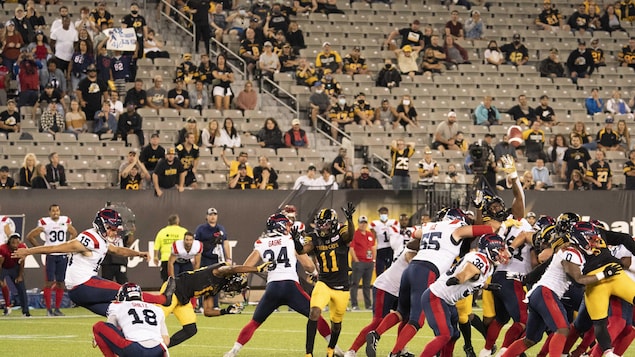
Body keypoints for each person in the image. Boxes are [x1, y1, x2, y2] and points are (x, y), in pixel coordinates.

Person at [366, 208, 512, 357]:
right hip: (428, 271)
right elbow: (488, 229)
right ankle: (395, 353)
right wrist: (491, 215)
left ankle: (376, 334)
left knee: (402, 313)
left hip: (412, 267)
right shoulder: (457, 230)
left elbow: (413, 237)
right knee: (417, 321)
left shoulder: (431, 226)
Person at [12, 208, 173, 316]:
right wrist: (28, 251)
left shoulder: (100, 239)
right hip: (83, 284)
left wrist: (139, 253)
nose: (113, 231)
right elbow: (57, 247)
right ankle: (163, 300)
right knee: (127, 290)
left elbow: (117, 250)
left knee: (118, 314)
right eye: (110, 228)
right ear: (102, 225)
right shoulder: (90, 238)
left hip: (79, 290)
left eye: (115, 229)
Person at [224, 213, 341, 357]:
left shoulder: (261, 243)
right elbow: (308, 265)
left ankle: (233, 351)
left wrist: (240, 279)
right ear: (279, 226)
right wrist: (314, 273)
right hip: (291, 287)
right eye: (285, 224)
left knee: (254, 322)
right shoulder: (290, 240)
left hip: (272, 288)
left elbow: (247, 266)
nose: (287, 227)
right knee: (315, 315)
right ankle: (335, 349)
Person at [420, 234, 509, 357]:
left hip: (448, 302)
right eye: (500, 250)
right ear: (490, 249)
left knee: (454, 335)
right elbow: (465, 274)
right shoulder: (481, 261)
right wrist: (457, 279)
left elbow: (473, 279)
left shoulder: (487, 264)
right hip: (436, 297)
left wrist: (487, 286)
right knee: (444, 335)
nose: (503, 253)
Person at [293, 203, 356, 357]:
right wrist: (296, 240)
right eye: (320, 224)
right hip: (324, 283)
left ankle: (330, 350)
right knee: (314, 312)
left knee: (336, 325)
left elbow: (350, 236)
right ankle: (309, 353)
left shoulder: (341, 231)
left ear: (333, 224)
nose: (322, 227)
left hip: (342, 286)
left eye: (326, 224)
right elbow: (302, 249)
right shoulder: (314, 237)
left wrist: (350, 220)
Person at [25, 204, 77, 316]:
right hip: (51, 255)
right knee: (49, 282)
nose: (55, 213)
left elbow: (74, 233)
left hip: (62, 255)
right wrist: (41, 249)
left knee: (61, 283)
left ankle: (57, 309)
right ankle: (48, 309)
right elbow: (30, 236)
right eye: (53, 211)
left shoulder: (65, 220)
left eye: (57, 210)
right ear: (49, 212)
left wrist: (68, 245)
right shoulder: (45, 222)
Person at [92, 283, 170, 357]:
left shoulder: (117, 306)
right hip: (158, 349)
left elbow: (111, 329)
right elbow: (166, 341)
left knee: (98, 326)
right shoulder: (157, 309)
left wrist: (97, 338)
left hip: (133, 348)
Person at [195, 207, 232, 309]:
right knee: (203, 282)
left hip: (217, 259)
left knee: (216, 282)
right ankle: (201, 305)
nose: (212, 217)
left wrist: (228, 258)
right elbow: (196, 245)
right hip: (205, 258)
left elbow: (225, 243)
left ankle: (215, 304)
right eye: (210, 215)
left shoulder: (221, 229)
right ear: (206, 216)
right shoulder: (201, 229)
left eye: (214, 214)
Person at [350, 215, 375, 311]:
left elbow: (373, 247)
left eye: (365, 223)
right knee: (355, 283)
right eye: (361, 223)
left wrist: (373, 259)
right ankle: (354, 304)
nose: (363, 225)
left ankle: (368, 305)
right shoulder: (355, 234)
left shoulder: (369, 234)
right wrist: (356, 260)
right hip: (359, 262)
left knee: (367, 285)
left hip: (369, 262)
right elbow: (351, 248)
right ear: (358, 223)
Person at [0, 233, 29, 317]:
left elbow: (22, 263)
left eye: (17, 242)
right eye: (13, 242)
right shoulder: (2, 248)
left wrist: (20, 276)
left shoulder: (22, 248)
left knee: (22, 289)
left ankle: (25, 312)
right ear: (9, 242)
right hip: (4, 267)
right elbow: (0, 265)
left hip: (15, 267)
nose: (15, 245)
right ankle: (7, 306)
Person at [154, 214, 188, 282]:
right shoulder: (183, 231)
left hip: (166, 259)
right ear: (177, 222)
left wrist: (155, 257)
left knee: (167, 282)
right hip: (180, 259)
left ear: (168, 222)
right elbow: (189, 244)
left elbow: (156, 246)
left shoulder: (162, 232)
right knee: (182, 281)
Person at [370, 207, 399, 277]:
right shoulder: (375, 224)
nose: (383, 215)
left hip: (391, 249)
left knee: (391, 271)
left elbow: (397, 236)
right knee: (379, 272)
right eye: (382, 213)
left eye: (385, 213)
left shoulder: (394, 222)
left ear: (388, 213)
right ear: (379, 214)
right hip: (380, 249)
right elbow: (373, 239)